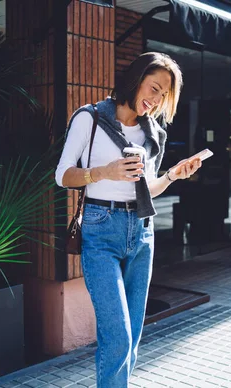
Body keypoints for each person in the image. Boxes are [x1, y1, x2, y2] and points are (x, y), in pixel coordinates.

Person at [55, 52, 201, 387]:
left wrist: (172, 176)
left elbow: (146, 188)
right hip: (101, 230)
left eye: (164, 95)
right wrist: (103, 172)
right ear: (136, 79)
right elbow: (62, 175)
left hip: (141, 234)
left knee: (132, 339)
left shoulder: (152, 134)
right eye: (154, 88)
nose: (156, 99)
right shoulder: (89, 119)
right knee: (117, 336)